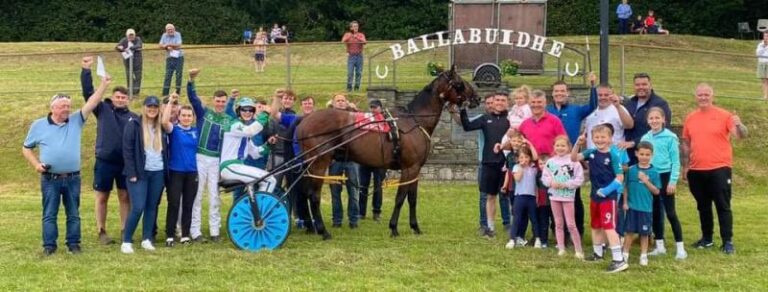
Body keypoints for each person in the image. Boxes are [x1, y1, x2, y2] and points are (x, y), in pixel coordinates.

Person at [23, 75, 111, 256]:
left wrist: (103, 85)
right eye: (63, 106)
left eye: (68, 106)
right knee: (49, 214)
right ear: (52, 107)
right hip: (50, 178)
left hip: (72, 178)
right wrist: (36, 165)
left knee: (73, 214)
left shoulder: (76, 120)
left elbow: (93, 102)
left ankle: (73, 244)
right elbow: (26, 149)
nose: (66, 109)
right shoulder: (38, 125)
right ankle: (49, 246)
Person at [682, 83, 747, 254]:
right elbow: (686, 143)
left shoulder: (725, 115)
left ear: (713, 96)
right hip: (696, 170)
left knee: (722, 205)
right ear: (695, 97)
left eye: (706, 94)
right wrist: (685, 166)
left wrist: (739, 124)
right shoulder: (691, 117)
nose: (703, 97)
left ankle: (727, 241)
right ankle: (707, 239)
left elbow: (740, 136)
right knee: (703, 206)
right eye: (700, 95)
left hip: (719, 168)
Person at [80, 56, 136, 245]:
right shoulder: (103, 109)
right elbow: (89, 94)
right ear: (112, 98)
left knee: (125, 196)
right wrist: (86, 71)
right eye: (117, 97)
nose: (120, 100)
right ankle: (101, 231)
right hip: (104, 161)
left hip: (125, 164)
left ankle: (124, 230)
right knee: (102, 196)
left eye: (124, 97)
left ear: (128, 99)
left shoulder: (134, 117)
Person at [187, 68, 236, 242]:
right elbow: (193, 99)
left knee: (214, 196)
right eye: (218, 100)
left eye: (223, 101)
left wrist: (233, 99)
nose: (220, 103)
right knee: (198, 195)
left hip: (217, 160)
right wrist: (191, 80)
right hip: (200, 157)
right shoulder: (204, 113)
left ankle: (215, 231)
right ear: (213, 100)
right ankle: (195, 231)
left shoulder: (229, 119)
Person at [546, 73, 597, 236]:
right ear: (552, 93)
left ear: (568, 93)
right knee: (554, 195)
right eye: (556, 91)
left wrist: (593, 86)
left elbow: (593, 106)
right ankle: (558, 231)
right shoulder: (548, 111)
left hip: (571, 159)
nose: (559, 94)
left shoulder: (576, 110)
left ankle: (577, 230)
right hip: (553, 159)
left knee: (574, 196)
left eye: (562, 91)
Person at [571, 124, 627, 273]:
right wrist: (578, 143)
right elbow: (574, 158)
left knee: (609, 227)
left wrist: (607, 190)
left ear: (610, 139)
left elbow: (620, 177)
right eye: (597, 137)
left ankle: (619, 260)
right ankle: (598, 254)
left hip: (608, 198)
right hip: (594, 196)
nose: (600, 140)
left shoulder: (614, 155)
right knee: (596, 225)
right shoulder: (591, 152)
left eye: (603, 137)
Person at [121, 96, 167, 253]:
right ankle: (126, 240)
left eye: (155, 107)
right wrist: (131, 172)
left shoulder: (160, 126)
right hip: (139, 173)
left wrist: (172, 100)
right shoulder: (134, 124)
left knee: (151, 206)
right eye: (149, 106)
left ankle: (147, 238)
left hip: (158, 171)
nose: (152, 109)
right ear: (144, 107)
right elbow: (127, 150)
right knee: (138, 206)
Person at [460, 92, 510, 238]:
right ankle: (490, 227)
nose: (499, 102)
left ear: (507, 102)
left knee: (507, 196)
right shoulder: (485, 118)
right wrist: (463, 110)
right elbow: (467, 126)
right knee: (490, 196)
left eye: (503, 100)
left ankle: (510, 225)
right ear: (492, 103)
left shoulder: (511, 119)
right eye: (497, 100)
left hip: (507, 163)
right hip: (489, 162)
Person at [640, 107, 687, 259]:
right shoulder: (645, 138)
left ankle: (680, 247)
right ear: (648, 121)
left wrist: (673, 181)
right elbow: (644, 160)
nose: (654, 121)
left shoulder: (670, 137)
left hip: (666, 176)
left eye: (657, 118)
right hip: (652, 176)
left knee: (670, 212)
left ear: (663, 120)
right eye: (651, 118)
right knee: (655, 212)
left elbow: (675, 161)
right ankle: (659, 245)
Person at [161, 94, 199, 246]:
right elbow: (164, 121)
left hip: (192, 172)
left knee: (188, 204)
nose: (186, 118)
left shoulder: (196, 131)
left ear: (192, 117)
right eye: (183, 115)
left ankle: (185, 235)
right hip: (175, 171)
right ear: (179, 116)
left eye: (189, 115)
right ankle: (170, 235)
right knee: (174, 203)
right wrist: (170, 102)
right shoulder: (174, 129)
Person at [541, 135, 584, 259]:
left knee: (571, 224)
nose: (560, 148)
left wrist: (566, 184)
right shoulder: (550, 162)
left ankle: (578, 249)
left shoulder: (573, 162)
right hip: (554, 196)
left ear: (568, 147)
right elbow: (545, 176)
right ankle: (561, 248)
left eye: (563, 145)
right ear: (554, 147)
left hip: (568, 197)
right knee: (558, 223)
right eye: (557, 145)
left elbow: (579, 179)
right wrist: (551, 183)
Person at [621, 141, 661, 267]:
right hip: (632, 207)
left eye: (647, 154)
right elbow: (626, 187)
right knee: (629, 232)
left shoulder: (654, 172)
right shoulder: (631, 170)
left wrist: (646, 181)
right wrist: (625, 202)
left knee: (644, 234)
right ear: (636, 154)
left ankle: (643, 255)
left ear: (652, 155)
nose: (644, 157)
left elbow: (656, 191)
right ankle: (625, 254)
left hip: (646, 208)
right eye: (642, 154)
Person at [327, 93, 363, 228]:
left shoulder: (353, 116)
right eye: (338, 101)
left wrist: (356, 111)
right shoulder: (329, 118)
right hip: (335, 159)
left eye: (343, 100)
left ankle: (353, 220)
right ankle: (337, 220)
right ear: (333, 103)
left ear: (346, 103)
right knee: (335, 192)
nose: (341, 103)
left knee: (353, 191)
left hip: (352, 159)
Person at [623, 73, 671, 165]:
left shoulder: (660, 104)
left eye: (644, 84)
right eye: (637, 85)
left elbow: (663, 130)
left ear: (650, 85)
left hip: (650, 155)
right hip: (629, 154)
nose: (641, 87)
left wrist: (634, 142)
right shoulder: (629, 103)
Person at [358, 99, 387, 222]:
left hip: (380, 159)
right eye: (371, 107)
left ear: (380, 108)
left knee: (377, 186)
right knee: (363, 186)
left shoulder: (386, 120)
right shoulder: (366, 119)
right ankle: (361, 212)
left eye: (375, 107)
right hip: (365, 158)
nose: (373, 109)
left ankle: (376, 212)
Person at [505, 147, 539, 249]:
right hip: (520, 196)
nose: (524, 159)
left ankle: (537, 238)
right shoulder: (516, 167)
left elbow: (536, 184)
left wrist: (537, 196)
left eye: (526, 157)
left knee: (534, 218)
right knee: (517, 218)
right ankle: (512, 239)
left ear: (530, 158)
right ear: (518, 159)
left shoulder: (534, 168)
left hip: (531, 197)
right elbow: (517, 179)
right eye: (521, 157)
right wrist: (521, 167)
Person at [584, 83, 634, 149]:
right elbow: (586, 135)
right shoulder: (590, 111)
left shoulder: (618, 108)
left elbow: (629, 125)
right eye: (600, 95)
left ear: (612, 95)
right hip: (592, 155)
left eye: (606, 95)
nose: (603, 97)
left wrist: (618, 106)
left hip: (613, 155)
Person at [115, 28, 143, 95]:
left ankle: (136, 92)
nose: (131, 37)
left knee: (138, 77)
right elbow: (117, 47)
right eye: (129, 35)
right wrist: (120, 48)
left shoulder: (138, 39)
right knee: (129, 76)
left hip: (137, 62)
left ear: (135, 35)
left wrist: (129, 48)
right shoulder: (124, 40)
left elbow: (139, 45)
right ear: (126, 35)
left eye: (132, 35)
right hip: (127, 62)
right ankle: (129, 91)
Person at [159, 23, 184, 96]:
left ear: (174, 29)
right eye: (168, 30)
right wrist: (166, 47)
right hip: (169, 58)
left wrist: (168, 45)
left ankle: (177, 93)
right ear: (166, 30)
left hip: (179, 57)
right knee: (168, 75)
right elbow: (160, 45)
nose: (170, 31)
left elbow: (179, 45)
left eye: (171, 29)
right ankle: (165, 93)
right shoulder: (164, 35)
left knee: (178, 75)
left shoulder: (178, 34)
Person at [342, 21, 367, 92]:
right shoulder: (347, 34)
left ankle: (356, 88)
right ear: (351, 28)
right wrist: (350, 36)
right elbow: (343, 41)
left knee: (359, 73)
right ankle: (349, 88)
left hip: (359, 56)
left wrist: (357, 37)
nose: (356, 28)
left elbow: (365, 42)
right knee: (350, 73)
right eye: (354, 26)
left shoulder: (361, 35)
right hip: (351, 56)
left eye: (357, 26)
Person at [756, 32, 768, 100]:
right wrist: (764, 46)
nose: (766, 38)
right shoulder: (760, 44)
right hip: (761, 63)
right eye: (765, 36)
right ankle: (765, 96)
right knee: (764, 81)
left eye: (767, 36)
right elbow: (758, 54)